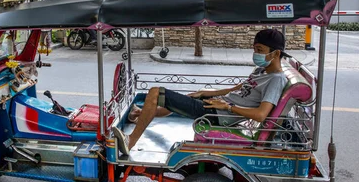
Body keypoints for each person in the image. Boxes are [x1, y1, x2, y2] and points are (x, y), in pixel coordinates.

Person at [113, 29, 289, 156]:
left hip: (217, 114)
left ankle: (131, 141)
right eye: (254, 49)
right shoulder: (261, 71)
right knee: (181, 99)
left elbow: (260, 115)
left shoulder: (275, 79)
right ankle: (138, 113)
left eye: (259, 50)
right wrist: (207, 93)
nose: (255, 54)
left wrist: (227, 107)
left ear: (276, 53)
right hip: (216, 105)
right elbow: (235, 90)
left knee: (155, 93)